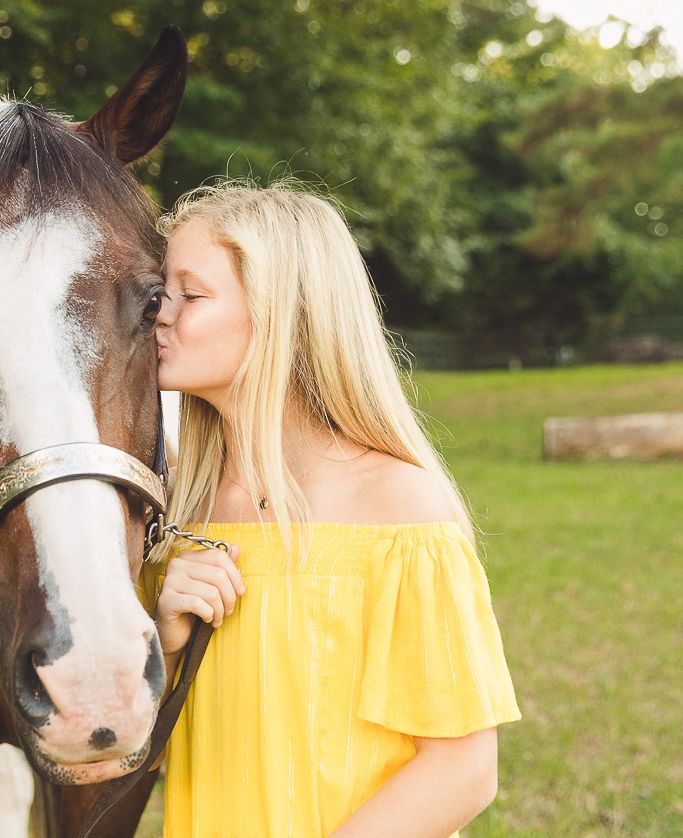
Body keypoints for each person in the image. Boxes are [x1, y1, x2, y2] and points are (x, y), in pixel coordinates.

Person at [147, 181, 521, 837]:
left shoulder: (399, 509)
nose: (159, 314)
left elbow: (463, 769)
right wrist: (166, 645)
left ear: (282, 315)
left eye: (191, 294)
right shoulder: (175, 512)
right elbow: (121, 755)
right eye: (162, 291)